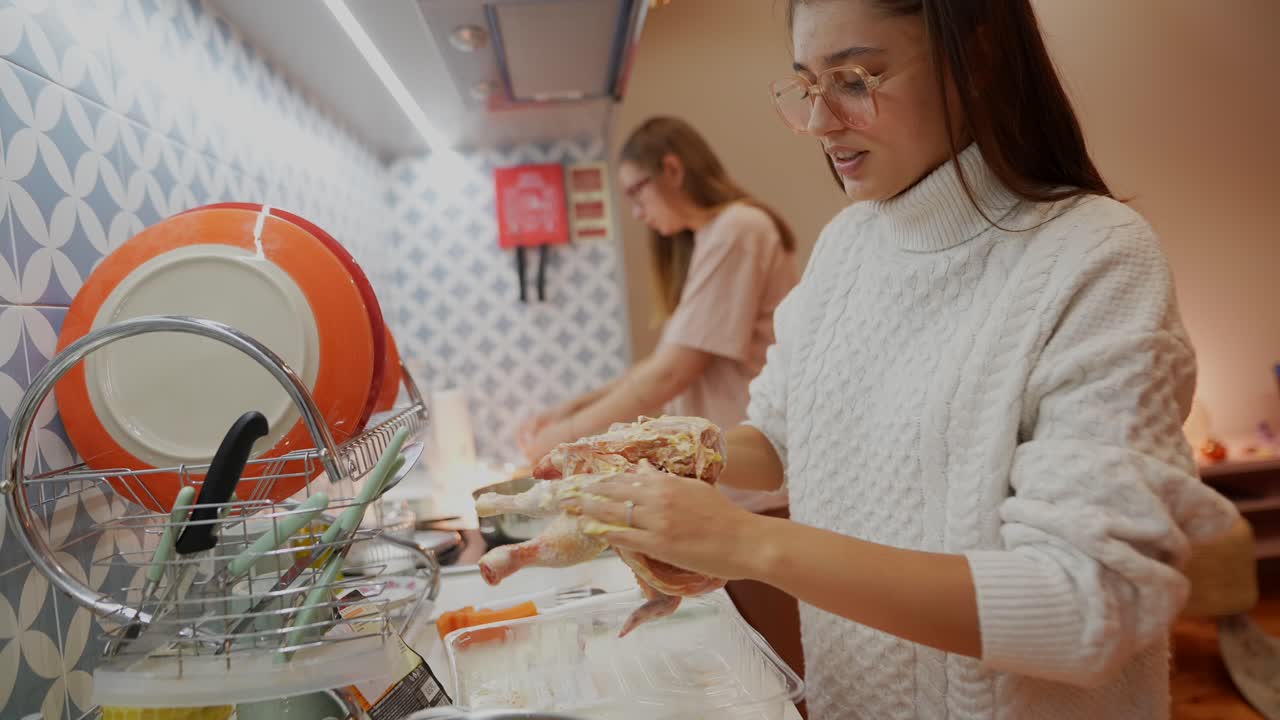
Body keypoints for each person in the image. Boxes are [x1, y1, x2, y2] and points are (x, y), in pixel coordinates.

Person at [561, 1, 1240, 718]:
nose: (820, 123)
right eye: (806, 85)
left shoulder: (1096, 259)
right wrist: (658, 454)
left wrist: (744, 543)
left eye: (855, 79)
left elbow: (1085, 606)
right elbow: (783, 441)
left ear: (975, 60)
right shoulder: (847, 248)